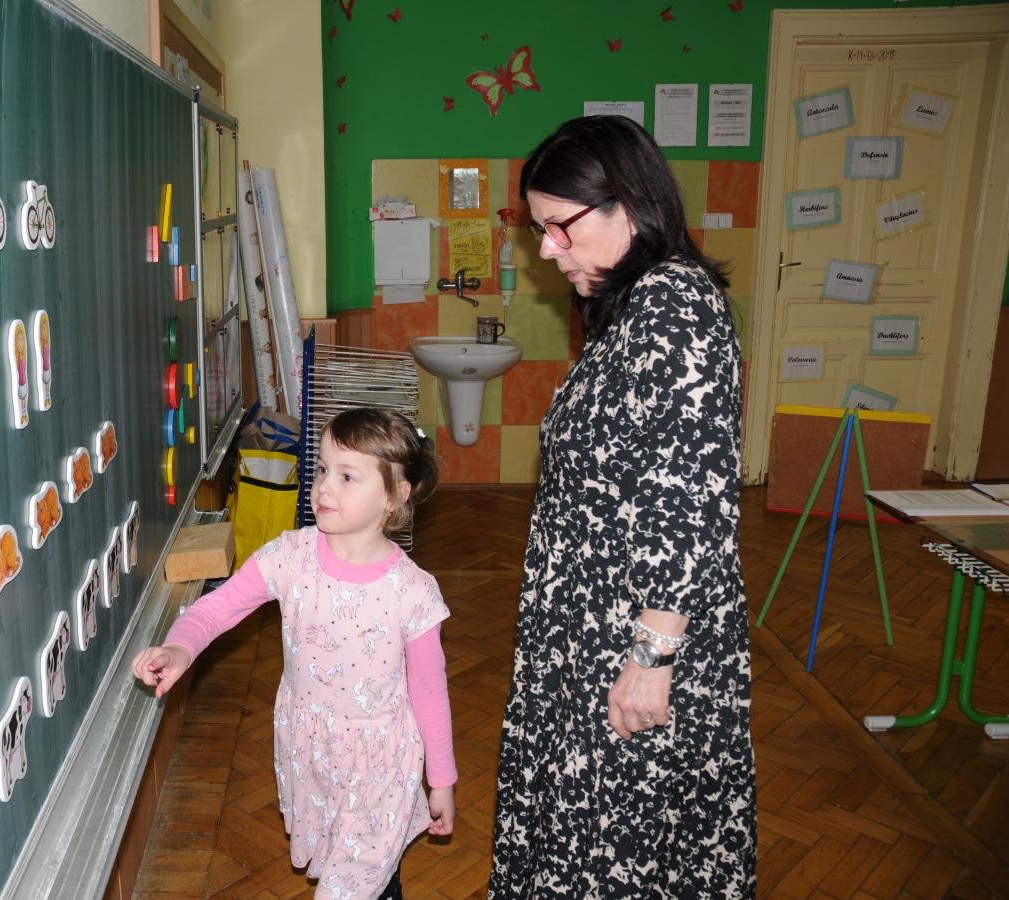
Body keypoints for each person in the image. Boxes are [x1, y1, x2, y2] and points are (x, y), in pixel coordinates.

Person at [488, 115, 757, 897]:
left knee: (625, 839)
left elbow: (691, 501)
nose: (547, 249)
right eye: (538, 229)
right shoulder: (635, 303)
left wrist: (651, 661)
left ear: (627, 206)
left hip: (633, 634)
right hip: (595, 623)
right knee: (597, 832)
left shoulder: (674, 308)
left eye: (559, 227)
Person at [133, 408, 456, 899]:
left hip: (380, 763)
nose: (324, 486)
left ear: (394, 496)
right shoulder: (291, 557)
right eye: (322, 468)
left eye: (347, 476)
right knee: (349, 863)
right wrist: (181, 646)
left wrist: (442, 779)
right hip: (311, 750)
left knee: (353, 880)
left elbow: (430, 693)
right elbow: (218, 608)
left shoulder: (413, 592)